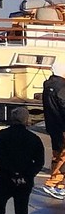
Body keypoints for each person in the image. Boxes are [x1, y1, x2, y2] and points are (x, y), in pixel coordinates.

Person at [39, 69, 65, 199]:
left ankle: (58, 184)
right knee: (63, 157)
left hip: (53, 126)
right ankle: (54, 183)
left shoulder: (48, 86)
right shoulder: (61, 89)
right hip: (62, 127)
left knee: (57, 154)